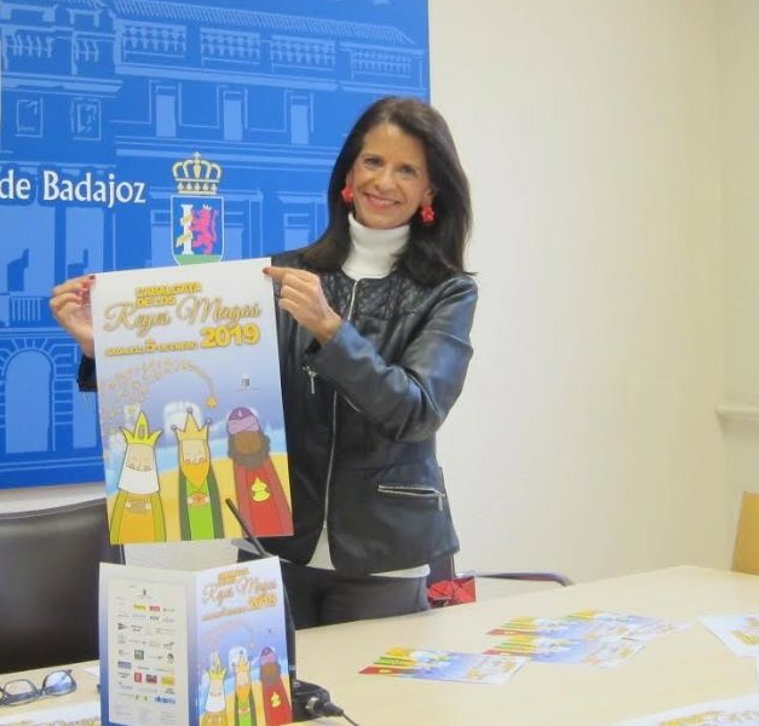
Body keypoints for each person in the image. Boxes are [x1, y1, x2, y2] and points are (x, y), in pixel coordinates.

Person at [49, 96, 476, 627]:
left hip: (386, 553)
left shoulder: (447, 292)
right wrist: (105, 351)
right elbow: (205, 378)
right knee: (264, 683)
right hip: (271, 541)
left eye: (407, 169)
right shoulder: (280, 273)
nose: (384, 182)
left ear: (431, 190)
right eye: (373, 161)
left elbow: (417, 411)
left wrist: (331, 331)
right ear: (349, 173)